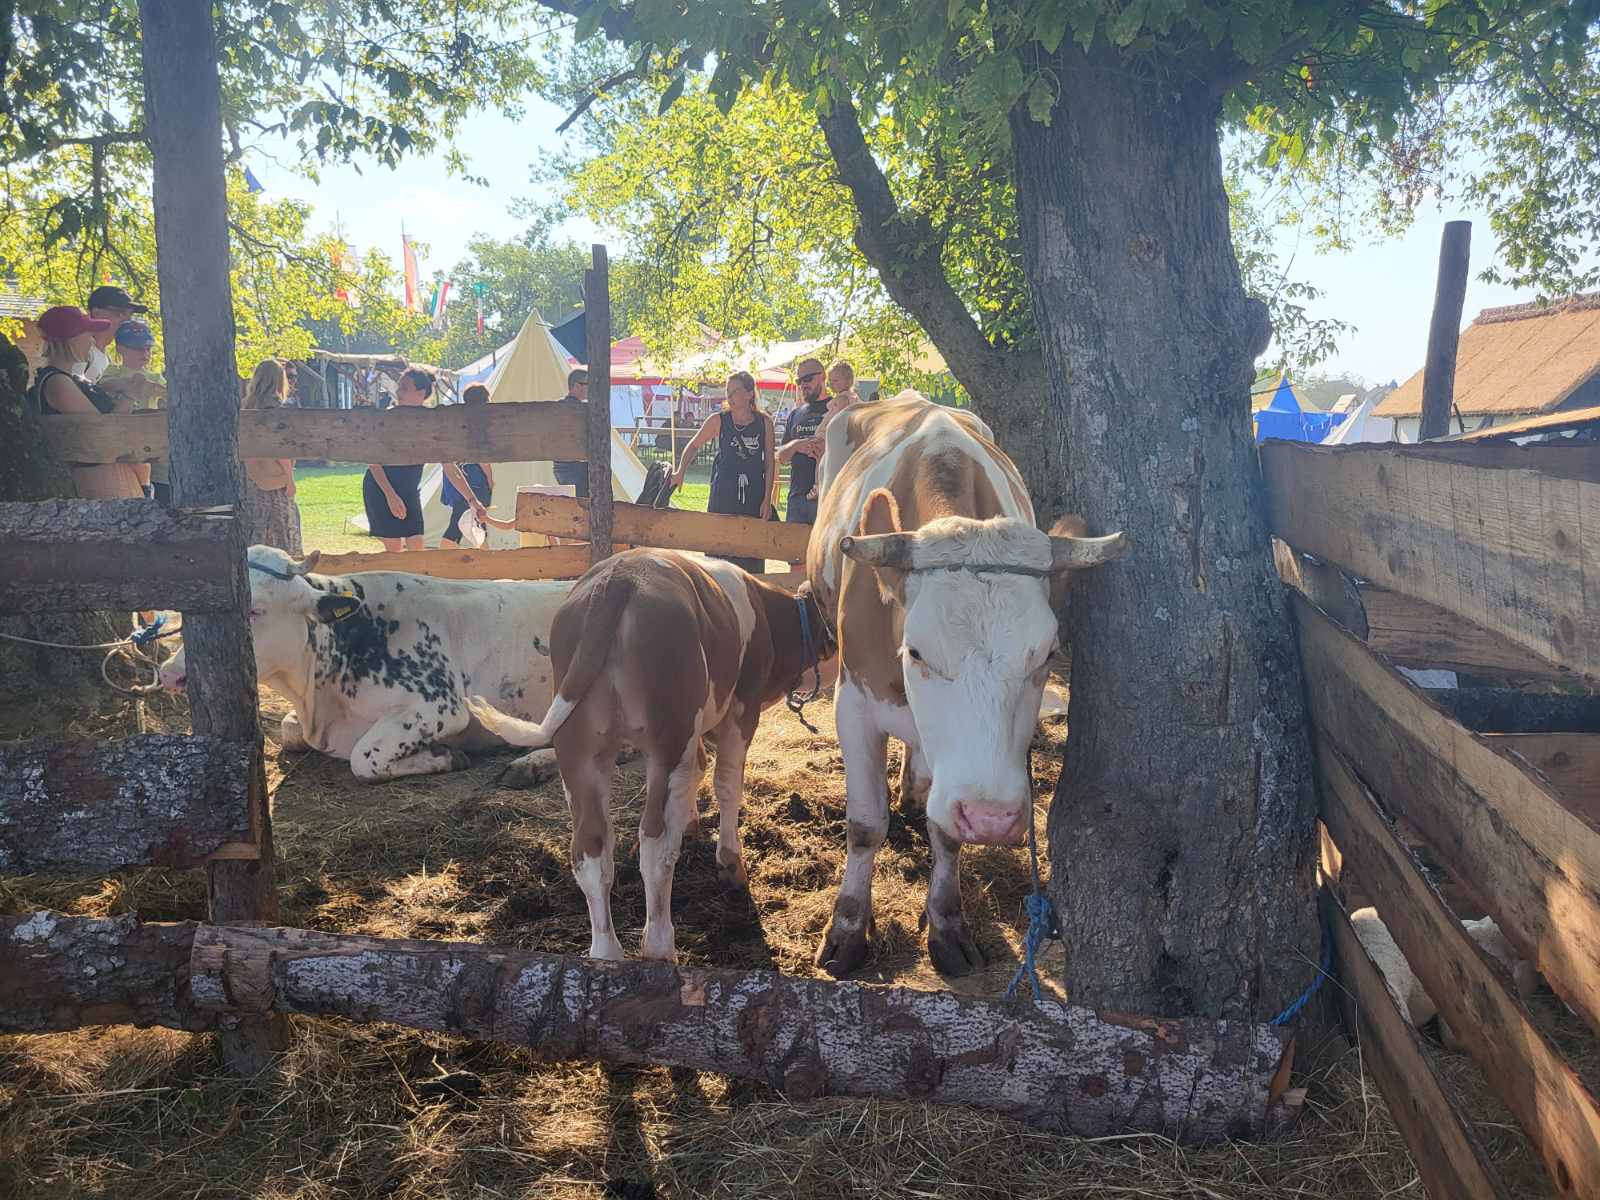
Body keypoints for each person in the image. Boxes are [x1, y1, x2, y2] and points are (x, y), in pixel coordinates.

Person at [29, 306, 145, 499]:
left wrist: (111, 387)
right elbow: (103, 433)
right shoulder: (57, 382)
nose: (92, 341)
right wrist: (130, 396)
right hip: (98, 484)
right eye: (88, 335)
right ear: (70, 339)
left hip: (109, 479)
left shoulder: (68, 379)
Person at [672, 370, 775, 574]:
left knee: (751, 553)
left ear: (749, 393)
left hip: (753, 495)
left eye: (735, 391)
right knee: (717, 552)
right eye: (728, 391)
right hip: (723, 494)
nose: (729, 396)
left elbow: (770, 463)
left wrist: (767, 498)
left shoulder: (764, 423)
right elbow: (693, 446)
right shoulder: (718, 420)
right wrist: (680, 471)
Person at [363, 366, 434, 551]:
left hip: (409, 489)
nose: (398, 392)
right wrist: (390, 495)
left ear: (421, 393)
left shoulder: (432, 421)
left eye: (404, 388)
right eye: (399, 387)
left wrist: (472, 500)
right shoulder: (387, 418)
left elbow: (449, 464)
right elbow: (372, 460)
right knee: (394, 549)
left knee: (417, 544)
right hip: (381, 486)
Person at [239, 359, 303, 554]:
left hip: (250, 483)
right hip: (276, 483)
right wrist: (290, 480)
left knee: (255, 543)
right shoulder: (278, 409)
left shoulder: (244, 407)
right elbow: (281, 450)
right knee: (281, 542)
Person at [775, 357, 830, 525]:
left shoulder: (838, 408)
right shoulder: (796, 414)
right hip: (796, 499)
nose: (803, 384)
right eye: (799, 381)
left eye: (808, 379)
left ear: (823, 377)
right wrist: (796, 445)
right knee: (792, 550)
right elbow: (781, 457)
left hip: (826, 497)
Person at [440, 383, 495, 548]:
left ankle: (485, 558)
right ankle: (444, 556)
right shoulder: (476, 426)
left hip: (459, 478)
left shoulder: (457, 423)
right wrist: (490, 480)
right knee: (459, 522)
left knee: (478, 521)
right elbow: (482, 460)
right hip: (474, 481)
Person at [82, 285, 148, 383]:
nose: (127, 321)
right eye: (120, 314)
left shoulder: (106, 358)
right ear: (96, 313)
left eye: (130, 315)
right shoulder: (80, 350)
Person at [553, 368, 590, 498]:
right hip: (576, 467)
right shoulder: (580, 410)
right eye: (587, 384)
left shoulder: (558, 407)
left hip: (561, 467)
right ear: (576, 386)